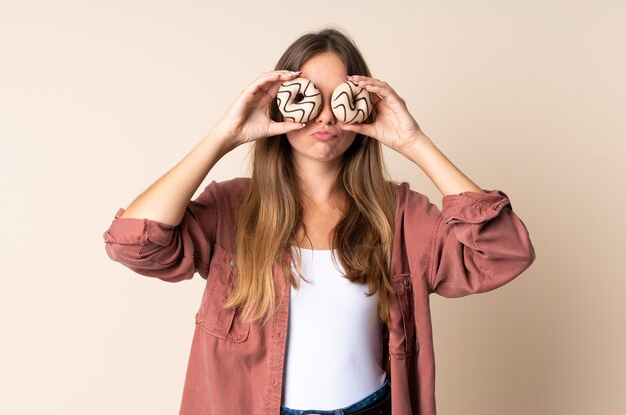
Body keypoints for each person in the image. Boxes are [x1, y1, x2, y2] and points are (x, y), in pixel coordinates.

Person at [103, 28, 536, 415]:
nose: (325, 116)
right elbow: (133, 243)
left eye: (341, 99)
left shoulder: (399, 214)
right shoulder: (232, 208)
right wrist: (224, 136)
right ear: (278, 105)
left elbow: (503, 251)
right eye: (309, 98)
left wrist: (413, 141)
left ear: (363, 107)